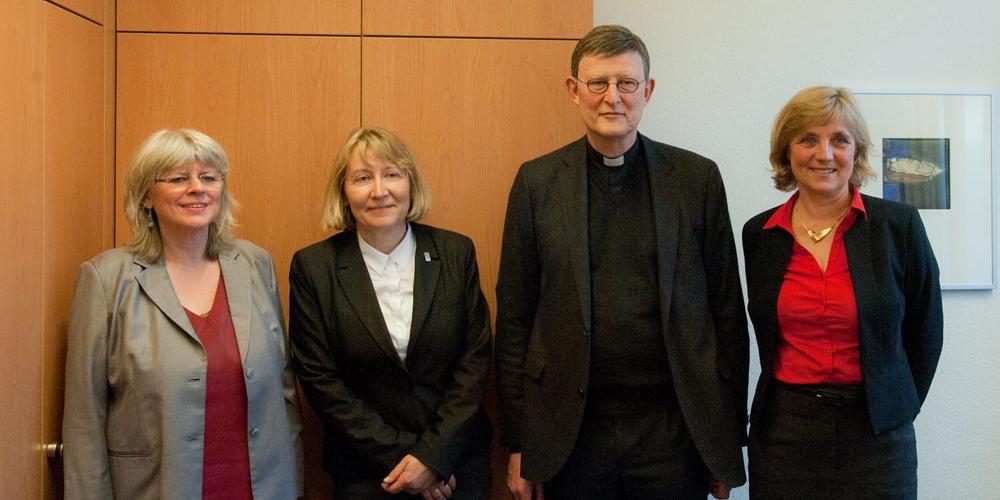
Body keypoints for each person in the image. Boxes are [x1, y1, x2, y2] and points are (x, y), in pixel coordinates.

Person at [495, 25, 749, 500]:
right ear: (574, 91)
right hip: (571, 436)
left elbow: (728, 316)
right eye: (598, 83)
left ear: (647, 90)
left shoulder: (696, 179)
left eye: (627, 83)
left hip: (674, 433)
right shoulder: (536, 184)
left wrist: (728, 441)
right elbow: (513, 321)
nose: (612, 97)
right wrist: (519, 444)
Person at [62, 129, 303, 499]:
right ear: (146, 196)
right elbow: (84, 419)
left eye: (209, 177)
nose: (197, 188)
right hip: (157, 487)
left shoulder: (255, 264)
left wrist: (292, 486)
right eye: (178, 179)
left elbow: (284, 393)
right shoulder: (106, 279)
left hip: (260, 488)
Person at [742, 86, 943, 499]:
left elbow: (927, 332)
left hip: (877, 436)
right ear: (787, 151)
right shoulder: (759, 235)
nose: (824, 154)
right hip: (785, 435)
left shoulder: (898, 226)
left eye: (839, 140)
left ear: (857, 150)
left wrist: (894, 405)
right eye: (808, 139)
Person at [289, 127, 492, 500]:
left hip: (456, 469)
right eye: (362, 178)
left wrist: (433, 457)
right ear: (343, 192)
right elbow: (320, 379)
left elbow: (474, 363)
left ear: (410, 183)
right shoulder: (314, 268)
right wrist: (407, 460)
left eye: (392, 174)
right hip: (368, 475)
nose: (379, 191)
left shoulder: (455, 253)